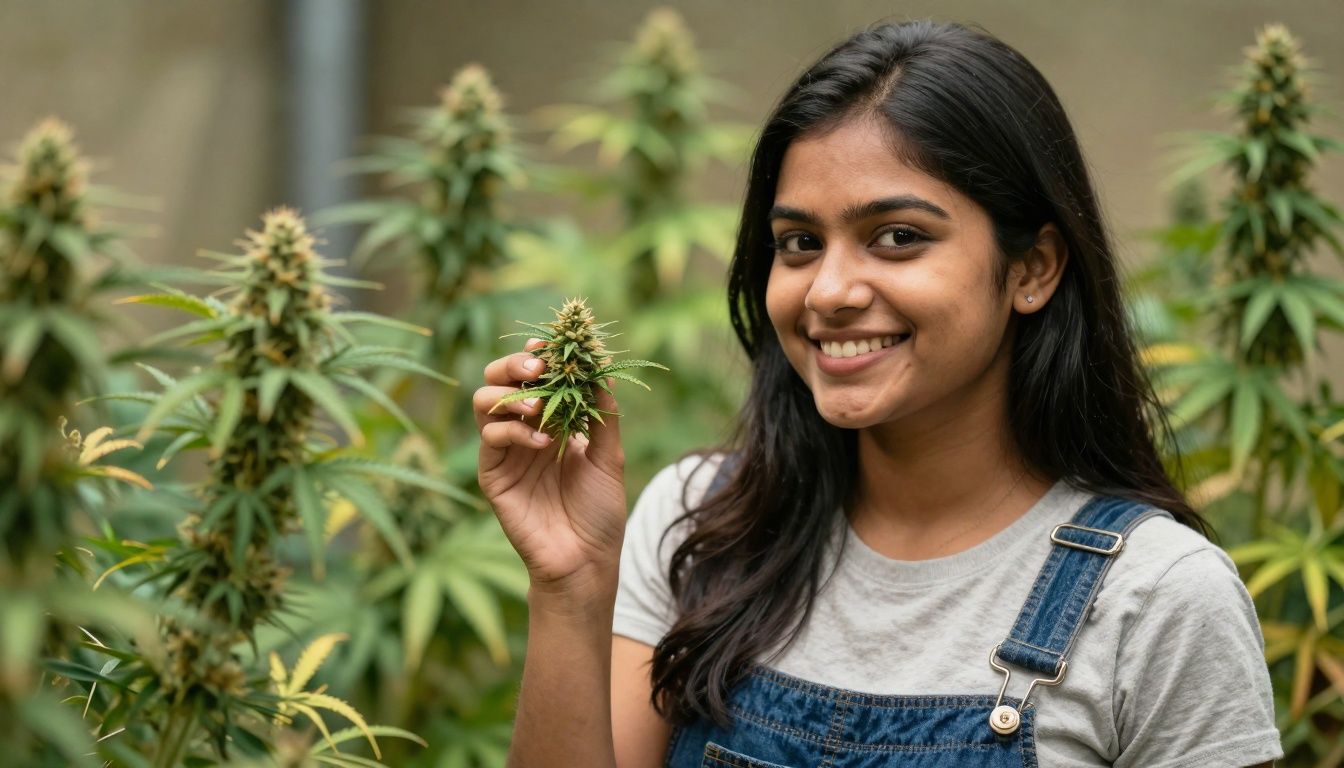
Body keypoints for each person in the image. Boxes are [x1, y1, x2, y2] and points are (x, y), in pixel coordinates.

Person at [474, 18, 1283, 768]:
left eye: (897, 238)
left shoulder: (1160, 599)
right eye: (798, 243)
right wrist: (571, 587)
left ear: (1033, 268)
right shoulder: (698, 524)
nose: (827, 290)